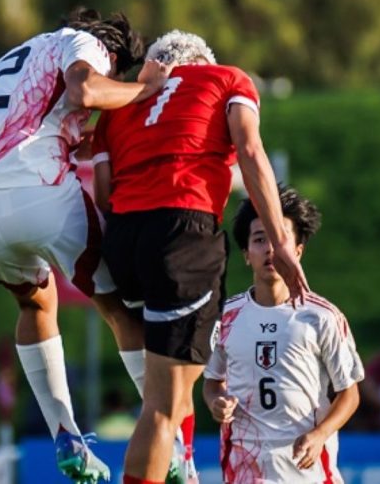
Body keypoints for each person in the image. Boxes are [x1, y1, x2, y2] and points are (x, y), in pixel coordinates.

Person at [0, 8, 170, 483]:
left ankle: (66, 435)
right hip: (38, 192)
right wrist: (145, 90)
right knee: (121, 307)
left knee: (36, 304)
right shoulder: (83, 46)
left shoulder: (20, 53)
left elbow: (38, 124)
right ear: (113, 53)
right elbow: (86, 89)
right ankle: (166, 435)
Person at [91, 30, 309, 484]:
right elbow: (249, 151)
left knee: (177, 376)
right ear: (202, 61)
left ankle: (184, 465)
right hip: (183, 231)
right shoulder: (227, 79)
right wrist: (280, 240)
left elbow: (104, 191)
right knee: (161, 407)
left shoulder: (121, 107)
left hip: (125, 241)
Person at [203, 186, 363, 483]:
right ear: (246, 255)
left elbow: (349, 394)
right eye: (260, 239)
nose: (270, 249)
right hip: (245, 468)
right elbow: (212, 383)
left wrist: (319, 435)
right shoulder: (227, 316)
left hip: (306, 470)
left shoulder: (322, 316)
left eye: (281, 239)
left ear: (297, 252)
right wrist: (217, 403)